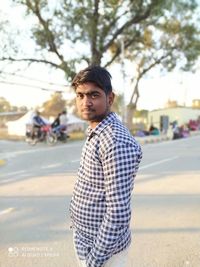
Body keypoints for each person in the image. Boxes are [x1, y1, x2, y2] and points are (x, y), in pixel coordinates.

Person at [69, 65, 142, 267]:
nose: (85, 102)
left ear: (110, 98)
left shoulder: (115, 142)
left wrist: (95, 260)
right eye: (80, 95)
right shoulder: (97, 131)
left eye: (94, 95)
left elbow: (118, 213)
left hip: (103, 253)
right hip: (86, 240)